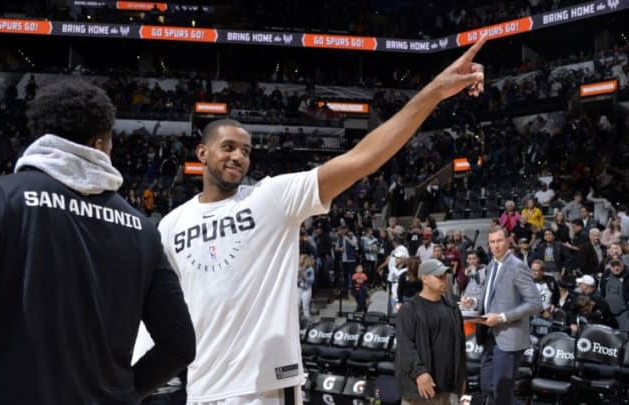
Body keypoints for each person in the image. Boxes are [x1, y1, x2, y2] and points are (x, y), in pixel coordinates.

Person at [148, 37, 487, 404]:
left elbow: (363, 158)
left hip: (264, 387)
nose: (238, 157)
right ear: (202, 152)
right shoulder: (171, 224)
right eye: (228, 147)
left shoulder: (271, 197)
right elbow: (159, 310)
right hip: (202, 386)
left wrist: (434, 92)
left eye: (246, 150)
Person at [0, 80, 196, 404]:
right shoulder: (143, 229)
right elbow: (180, 345)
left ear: (41, 137)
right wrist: (126, 394)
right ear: (102, 142)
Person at [461, 226, 542, 405]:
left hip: (509, 337)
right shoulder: (491, 265)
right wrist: (473, 303)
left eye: (499, 241)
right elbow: (489, 297)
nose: (496, 245)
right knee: (487, 387)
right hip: (489, 335)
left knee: (501, 391)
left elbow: (535, 303)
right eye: (492, 242)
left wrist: (502, 317)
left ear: (507, 241)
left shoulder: (517, 266)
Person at [396, 259, 466, 405]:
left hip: (448, 389)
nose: (443, 280)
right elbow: (405, 347)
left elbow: (460, 347)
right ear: (425, 278)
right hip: (420, 389)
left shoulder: (452, 308)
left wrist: (461, 378)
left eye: (444, 276)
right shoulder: (409, 309)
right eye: (438, 276)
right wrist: (419, 373)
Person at [599, 256, 629, 331]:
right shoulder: (606, 274)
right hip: (609, 316)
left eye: (618, 265)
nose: (616, 268)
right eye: (613, 265)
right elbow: (602, 292)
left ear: (623, 264)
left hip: (625, 315)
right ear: (609, 266)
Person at [298, 254, 316, 320]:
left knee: (305, 306)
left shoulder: (310, 269)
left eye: (301, 258)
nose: (300, 260)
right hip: (299, 288)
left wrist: (303, 276)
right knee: (296, 305)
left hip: (306, 289)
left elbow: (311, 280)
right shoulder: (298, 267)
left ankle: (307, 321)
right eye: (300, 258)